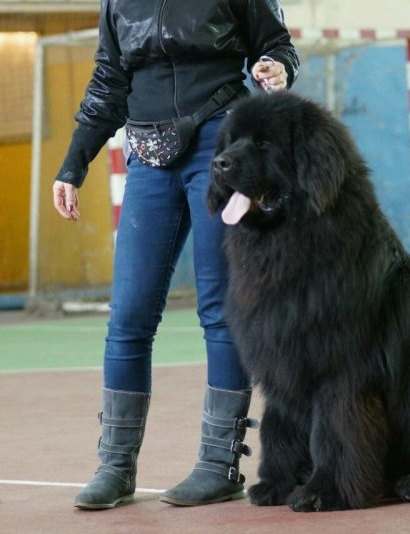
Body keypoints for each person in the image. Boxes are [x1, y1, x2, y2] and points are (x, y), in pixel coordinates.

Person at [52, 0, 299, 510]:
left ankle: (218, 464)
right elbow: (108, 81)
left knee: (219, 311)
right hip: (145, 154)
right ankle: (115, 467)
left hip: (219, 143)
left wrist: (277, 67)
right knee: (129, 317)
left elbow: (276, 46)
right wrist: (73, 164)